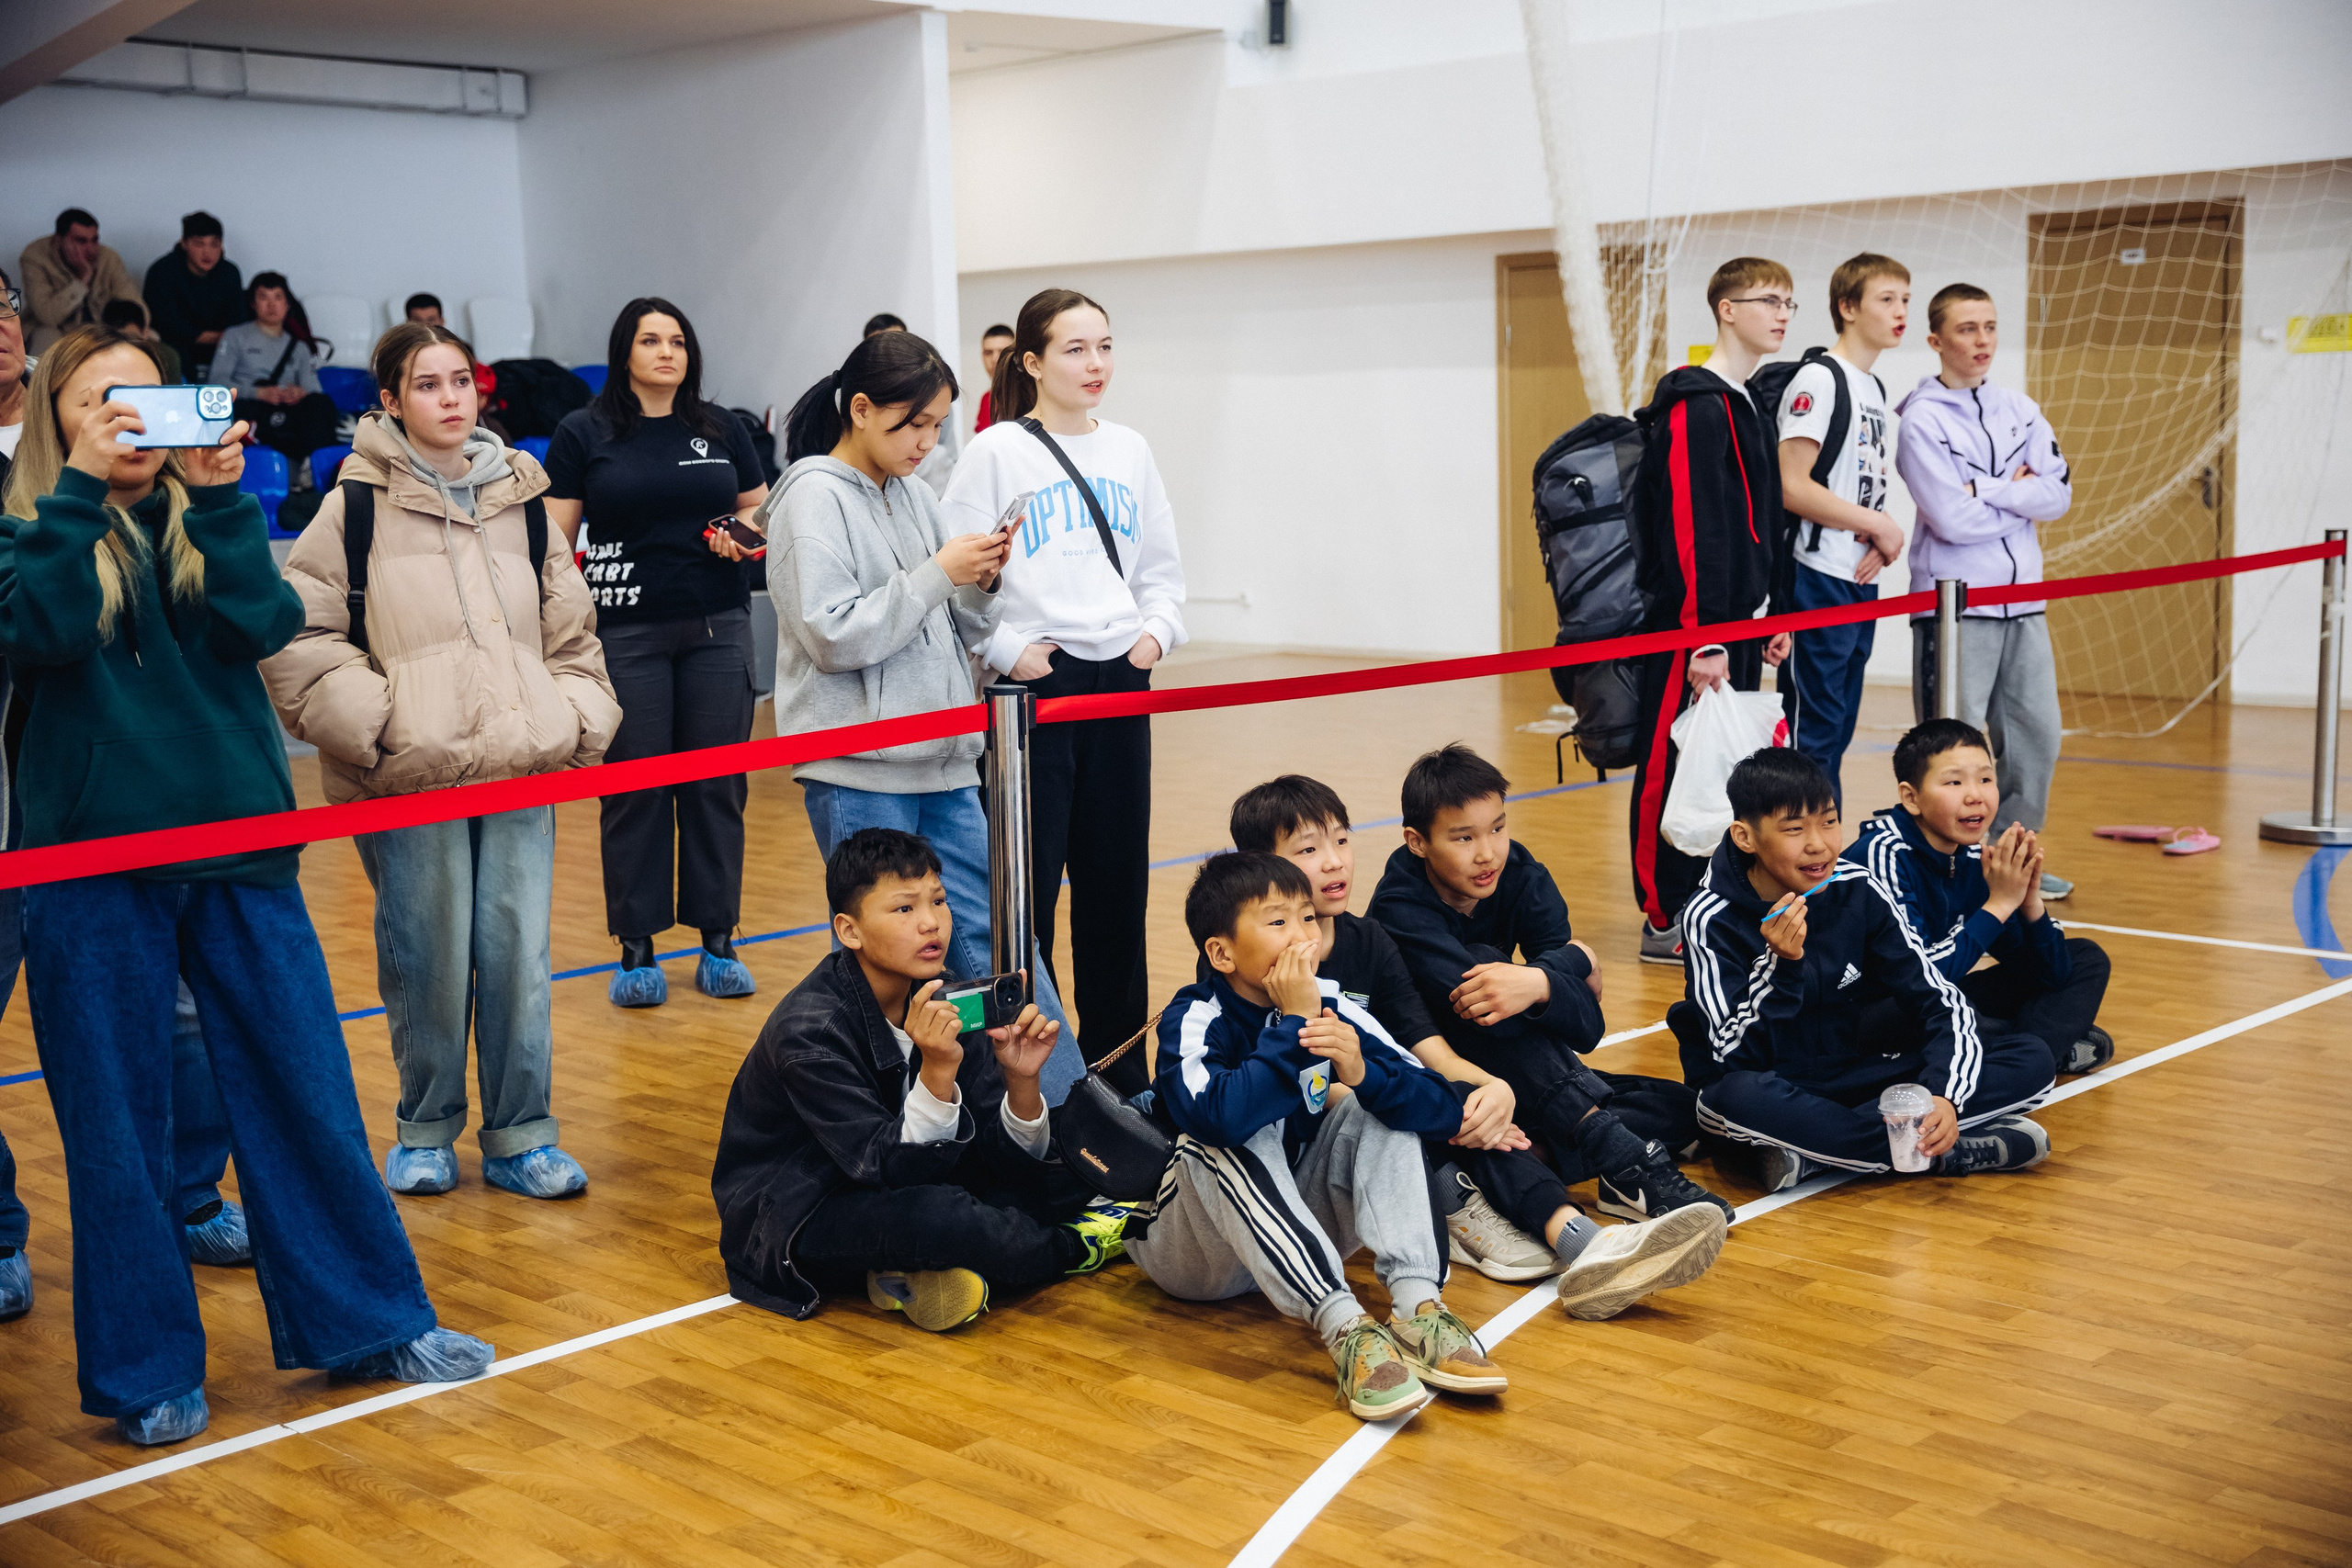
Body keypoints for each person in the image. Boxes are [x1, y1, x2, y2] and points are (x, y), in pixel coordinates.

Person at [0, 324, 491, 1446]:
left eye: (145, 397)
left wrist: (221, 499)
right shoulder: (28, 530)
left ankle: (369, 1323)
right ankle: (145, 1372)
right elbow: (43, 631)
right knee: (114, 1126)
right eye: (97, 403)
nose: (127, 420)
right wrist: (79, 493)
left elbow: (263, 625)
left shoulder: (202, 520)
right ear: (55, 422)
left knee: (304, 1090)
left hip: (241, 851)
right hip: (87, 870)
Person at [263, 321, 620, 1200]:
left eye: (460, 379)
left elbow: (572, 628)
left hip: (518, 765)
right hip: (411, 776)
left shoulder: (522, 497)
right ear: (390, 400)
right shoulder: (352, 505)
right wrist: (387, 724)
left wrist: (571, 714)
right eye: (427, 384)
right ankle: (424, 1130)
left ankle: (522, 1135)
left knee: (519, 960)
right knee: (425, 960)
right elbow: (299, 636)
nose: (451, 397)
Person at [1229, 773, 1727, 1316]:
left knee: (1678, 1108)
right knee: (1442, 1112)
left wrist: (1490, 1090)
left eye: (1342, 841)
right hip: (1330, 1140)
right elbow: (1290, 1089)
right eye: (1309, 850)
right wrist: (1434, 1104)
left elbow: (1434, 1048)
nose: (1334, 862)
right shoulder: (1255, 962)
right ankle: (1570, 1216)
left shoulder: (1369, 940)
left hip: (1404, 1093)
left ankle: (1582, 1227)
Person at [764, 328, 1084, 1099]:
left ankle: (1068, 1110)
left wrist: (981, 580)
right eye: (913, 423)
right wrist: (939, 574)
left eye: (938, 425)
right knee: (887, 962)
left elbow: (961, 625)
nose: (927, 442)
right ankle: (895, 1120)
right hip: (860, 769)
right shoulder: (811, 497)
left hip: (944, 760)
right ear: (860, 409)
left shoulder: (914, 495)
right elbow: (833, 635)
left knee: (1004, 946)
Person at [1133, 852, 1505, 1422]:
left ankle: (1419, 1308)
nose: (1303, 935)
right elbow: (1215, 1120)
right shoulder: (1196, 1015)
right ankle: (1345, 1328)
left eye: (1308, 917)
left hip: (1290, 1232)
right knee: (1229, 1135)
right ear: (1222, 953)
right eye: (1278, 921)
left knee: (1374, 1106)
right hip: (1195, 1254)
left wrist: (1363, 1074)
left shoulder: (1331, 1006)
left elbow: (1439, 1108)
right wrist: (1292, 1025)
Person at [712, 829, 1125, 1329]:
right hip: (801, 1210)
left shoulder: (942, 993)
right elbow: (887, 1169)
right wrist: (937, 1070)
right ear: (849, 931)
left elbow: (999, 1153)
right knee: (939, 1217)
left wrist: (1022, 1081)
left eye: (939, 901)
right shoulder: (808, 1033)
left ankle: (904, 1272)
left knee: (1071, 1160)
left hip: (909, 1178)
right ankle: (1072, 1247)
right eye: (904, 908)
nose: (931, 922)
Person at [939, 288, 1185, 1081]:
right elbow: (955, 573)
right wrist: (1009, 649)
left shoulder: (1131, 450)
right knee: (1026, 897)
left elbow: (1162, 570)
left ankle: (1121, 1078)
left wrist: (1154, 635)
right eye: (1076, 349)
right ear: (1034, 362)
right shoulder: (994, 452)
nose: (1096, 363)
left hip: (1121, 678)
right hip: (1033, 686)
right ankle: (1027, 1083)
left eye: (1105, 345)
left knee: (1116, 891)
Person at [1366, 744, 1733, 1224]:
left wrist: (1538, 982)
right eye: (1463, 838)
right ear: (1417, 842)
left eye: (1498, 828)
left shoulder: (1520, 874)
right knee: (1486, 967)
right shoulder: (1399, 907)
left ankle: (1533, 1153)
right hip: (1440, 1078)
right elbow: (1490, 1014)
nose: (1487, 853)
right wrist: (1577, 959)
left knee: (1682, 1107)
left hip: (1523, 1075)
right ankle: (1623, 1162)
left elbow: (1586, 1029)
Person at [1678, 748, 2058, 1192]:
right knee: (1732, 1099)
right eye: (1794, 829)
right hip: (1770, 1086)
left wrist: (1944, 1097)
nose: (1819, 844)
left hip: (1852, 1073)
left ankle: (1820, 1156)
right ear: (1745, 838)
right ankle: (1940, 1154)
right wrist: (1780, 968)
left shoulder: (1857, 887)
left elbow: (1939, 1000)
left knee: (2030, 1057)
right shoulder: (1709, 916)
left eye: (1829, 822)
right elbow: (1732, 1054)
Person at [544, 297, 769, 1007]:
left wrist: (744, 535)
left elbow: (759, 508)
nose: (667, 351)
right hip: (624, 634)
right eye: (650, 340)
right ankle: (636, 947)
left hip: (717, 624)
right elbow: (554, 543)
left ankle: (718, 938)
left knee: (716, 785)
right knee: (634, 786)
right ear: (625, 351)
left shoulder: (722, 426)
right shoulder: (583, 432)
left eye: (677, 340)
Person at [1629, 257, 1795, 965]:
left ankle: (1714, 903)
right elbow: (1693, 529)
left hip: (1740, 625)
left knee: (1728, 766)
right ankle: (1664, 914)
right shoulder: (1695, 405)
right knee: (1672, 765)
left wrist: (1773, 613)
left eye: (1789, 303)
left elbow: (1763, 522)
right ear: (1727, 309)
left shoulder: (1747, 399)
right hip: (1694, 629)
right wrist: (1705, 638)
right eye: (1768, 300)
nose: (1782, 314)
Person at [1895, 283, 2075, 901]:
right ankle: (1950, 868)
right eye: (1967, 329)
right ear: (1936, 340)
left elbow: (2058, 495)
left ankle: (2010, 860)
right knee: (1953, 747)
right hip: (1955, 608)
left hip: (2023, 605)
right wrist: (2016, 491)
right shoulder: (1921, 419)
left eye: (1990, 327)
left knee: (2036, 736)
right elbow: (1950, 518)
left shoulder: (2020, 409)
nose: (1982, 341)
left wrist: (1987, 488)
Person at [1848, 718, 2112, 1075]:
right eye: (1954, 782)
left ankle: (2023, 1057)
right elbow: (1920, 978)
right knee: (1960, 1015)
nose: (1975, 796)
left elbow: (2049, 976)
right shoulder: (1882, 855)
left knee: (2085, 958)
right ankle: (2033, 1054)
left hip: (1936, 995)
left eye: (1986, 779)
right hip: (1872, 1012)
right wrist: (1998, 905)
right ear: (1911, 797)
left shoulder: (1972, 858)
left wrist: (2029, 904)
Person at [1777, 254, 1908, 807]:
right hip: (1817, 576)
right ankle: (1806, 848)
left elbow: (1855, 484)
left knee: (1839, 726)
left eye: (1905, 300)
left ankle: (1821, 842)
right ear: (1847, 308)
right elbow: (1792, 485)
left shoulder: (1873, 386)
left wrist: (1875, 538)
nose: (1900, 311)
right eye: (1887, 299)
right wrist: (1877, 523)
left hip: (1857, 577)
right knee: (1813, 733)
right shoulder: (1820, 378)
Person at [213, 272, 338, 470]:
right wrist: (259, 393)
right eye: (264, 297)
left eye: (278, 297)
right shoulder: (235, 336)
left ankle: (311, 467)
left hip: (285, 408)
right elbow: (216, 383)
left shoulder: (299, 347)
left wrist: (299, 393)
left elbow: (314, 389)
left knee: (322, 405)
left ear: (287, 305)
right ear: (253, 304)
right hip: (251, 405)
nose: (271, 305)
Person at [18, 209, 144, 355]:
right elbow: (47, 316)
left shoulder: (108, 258)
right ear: (59, 240)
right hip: (57, 330)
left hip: (101, 328)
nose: (91, 249)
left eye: (94, 240)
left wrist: (132, 327)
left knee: (149, 337)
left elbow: (136, 304)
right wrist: (81, 282)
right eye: (81, 241)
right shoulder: (35, 257)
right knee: (46, 335)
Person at [141, 212, 249, 380]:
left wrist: (226, 338)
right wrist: (215, 337)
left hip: (221, 346)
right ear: (184, 243)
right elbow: (166, 324)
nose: (207, 252)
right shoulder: (162, 271)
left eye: (214, 245)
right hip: (176, 345)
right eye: (199, 244)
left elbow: (238, 320)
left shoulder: (229, 272)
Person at [100, 298, 182, 384]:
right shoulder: (97, 359)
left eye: (132, 339)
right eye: (117, 340)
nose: (126, 348)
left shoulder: (166, 357)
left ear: (146, 333)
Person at [972, 321, 1014, 434]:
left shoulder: (1033, 396)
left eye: (1003, 352)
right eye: (988, 353)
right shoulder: (986, 399)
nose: (995, 359)